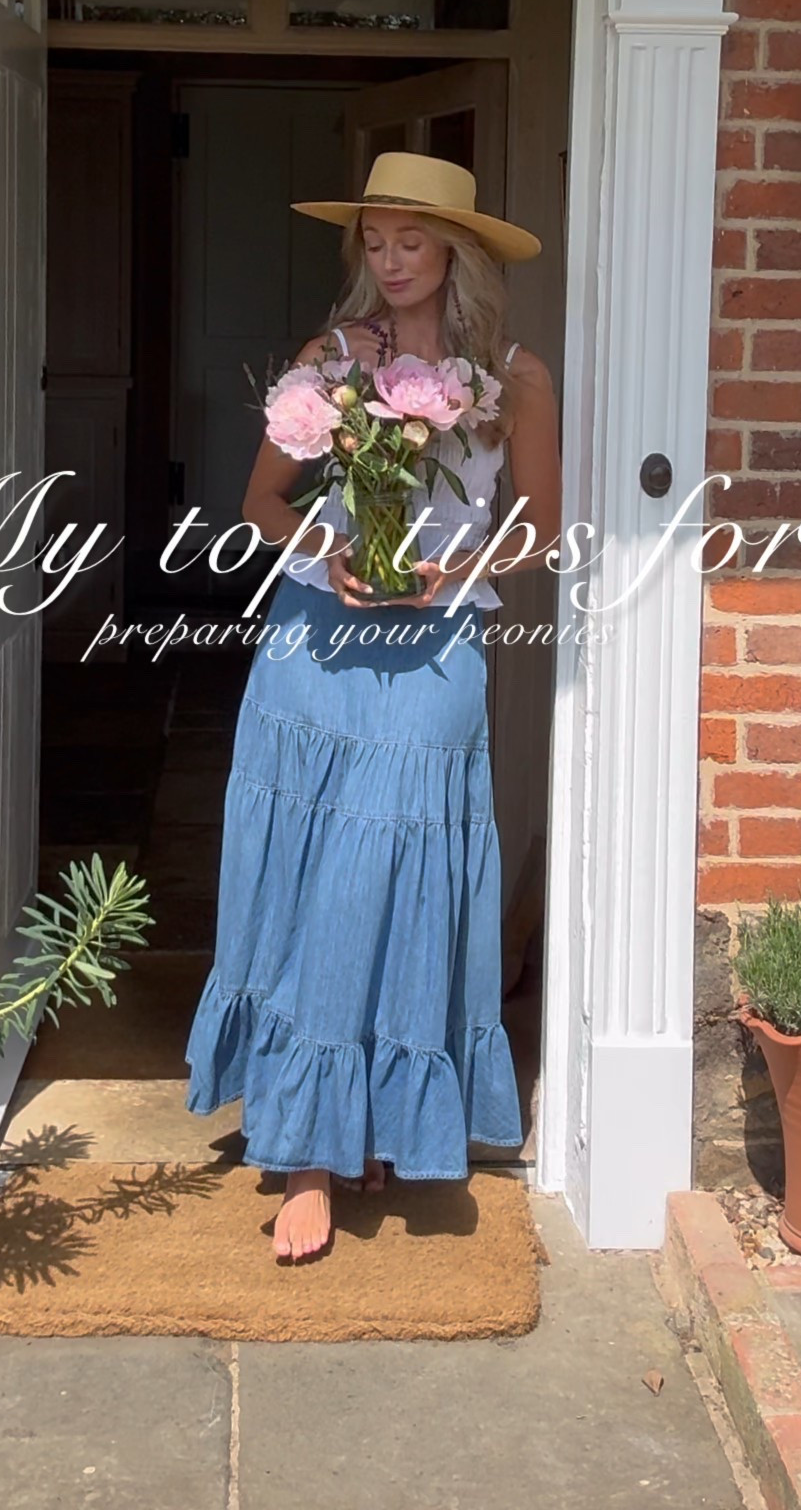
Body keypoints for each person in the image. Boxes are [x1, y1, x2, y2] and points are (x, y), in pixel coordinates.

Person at [184, 151, 562, 1263]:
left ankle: (384, 1119)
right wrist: (333, 547)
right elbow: (259, 501)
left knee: (396, 875)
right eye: (376, 242)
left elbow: (538, 528)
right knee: (316, 878)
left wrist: (453, 569)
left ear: (458, 249)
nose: (390, 262)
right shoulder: (328, 358)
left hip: (440, 643)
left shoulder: (514, 376)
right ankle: (308, 1155)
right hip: (316, 645)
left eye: (411, 240)